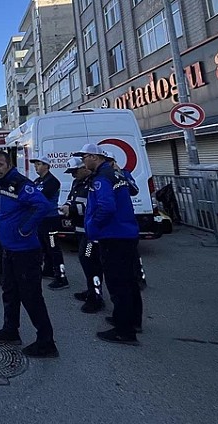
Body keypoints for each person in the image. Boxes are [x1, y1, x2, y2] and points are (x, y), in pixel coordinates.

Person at [0, 150, 59, 358]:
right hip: (10, 250)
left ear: (8, 165)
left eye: (0, 165)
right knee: (10, 292)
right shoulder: (2, 184)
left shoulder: (20, 183)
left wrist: (25, 229)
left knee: (31, 297)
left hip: (25, 252)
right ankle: (10, 330)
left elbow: (42, 205)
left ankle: (46, 342)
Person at [73, 143, 142, 345]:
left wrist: (93, 226)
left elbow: (106, 207)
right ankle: (131, 320)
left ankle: (124, 331)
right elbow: (131, 192)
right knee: (129, 282)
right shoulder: (116, 174)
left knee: (118, 284)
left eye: (84, 157)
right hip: (126, 233)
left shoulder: (102, 178)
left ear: (94, 157)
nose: (83, 162)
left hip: (113, 236)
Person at [60, 157, 104, 313]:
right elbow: (71, 199)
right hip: (79, 229)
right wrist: (66, 206)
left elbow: (92, 206)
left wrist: (71, 210)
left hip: (90, 233)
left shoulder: (92, 183)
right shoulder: (77, 183)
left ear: (84, 168)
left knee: (90, 262)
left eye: (75, 171)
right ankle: (90, 291)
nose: (73, 175)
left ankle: (96, 298)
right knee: (86, 262)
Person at [108, 154, 147, 290]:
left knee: (133, 253)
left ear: (114, 162)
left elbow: (134, 190)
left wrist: (122, 176)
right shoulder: (102, 177)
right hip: (111, 224)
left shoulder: (124, 174)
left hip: (126, 220)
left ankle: (139, 278)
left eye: (110, 162)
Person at [31, 156, 69, 290]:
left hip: (50, 219)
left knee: (54, 248)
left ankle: (61, 277)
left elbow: (38, 198)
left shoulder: (52, 181)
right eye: (35, 164)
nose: (36, 167)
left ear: (46, 166)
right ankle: (48, 270)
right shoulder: (37, 181)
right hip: (41, 220)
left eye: (39, 164)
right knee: (44, 247)